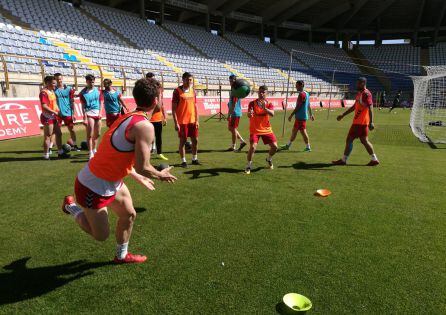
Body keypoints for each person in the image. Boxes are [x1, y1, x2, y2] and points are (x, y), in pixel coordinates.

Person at [61, 78, 177, 264]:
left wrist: (137, 176)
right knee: (100, 235)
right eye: (161, 97)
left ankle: (121, 256)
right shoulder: (144, 126)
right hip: (93, 187)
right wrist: (159, 174)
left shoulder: (129, 116)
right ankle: (71, 207)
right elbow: (144, 166)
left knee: (129, 214)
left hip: (112, 180)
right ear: (156, 100)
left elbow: (115, 154)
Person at [332, 77, 379, 166]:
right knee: (364, 141)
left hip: (359, 123)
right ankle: (374, 159)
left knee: (349, 139)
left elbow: (370, 107)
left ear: (362, 83)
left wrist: (371, 122)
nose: (356, 85)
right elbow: (354, 106)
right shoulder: (360, 94)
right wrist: (343, 115)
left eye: (358, 83)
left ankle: (343, 160)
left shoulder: (366, 94)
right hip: (361, 123)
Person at [245, 85, 278, 174]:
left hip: (266, 129)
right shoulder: (252, 103)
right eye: (260, 92)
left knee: (275, 147)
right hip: (255, 129)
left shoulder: (269, 103)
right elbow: (248, 114)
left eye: (263, 92)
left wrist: (265, 108)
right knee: (252, 147)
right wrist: (250, 114)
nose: (261, 93)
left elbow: (272, 114)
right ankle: (248, 165)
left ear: (266, 93)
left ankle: (269, 159)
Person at [172, 72, 200, 168]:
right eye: (187, 80)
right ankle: (183, 161)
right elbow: (174, 109)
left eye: (191, 80)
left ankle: (194, 159)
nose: (189, 82)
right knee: (183, 141)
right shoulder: (177, 91)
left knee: (195, 140)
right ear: (183, 80)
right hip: (182, 122)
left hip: (192, 121)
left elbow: (195, 106)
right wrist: (176, 123)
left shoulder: (193, 90)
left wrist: (197, 120)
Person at [40, 75, 70, 160]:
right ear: (48, 83)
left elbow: (55, 104)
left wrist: (58, 111)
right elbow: (44, 106)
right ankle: (45, 155)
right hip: (47, 117)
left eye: (55, 83)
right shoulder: (44, 93)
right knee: (48, 136)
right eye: (53, 83)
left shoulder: (52, 92)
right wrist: (54, 112)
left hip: (53, 116)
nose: (55, 85)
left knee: (59, 133)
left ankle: (60, 152)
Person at [280, 80, 314, 152]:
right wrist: (311, 114)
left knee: (303, 132)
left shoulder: (301, 94)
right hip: (301, 116)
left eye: (297, 85)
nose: (295, 87)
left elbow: (298, 107)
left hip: (301, 117)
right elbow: (309, 105)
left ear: (301, 85)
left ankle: (308, 147)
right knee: (294, 131)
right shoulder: (306, 93)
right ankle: (288, 145)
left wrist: (291, 115)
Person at [79, 74, 103, 159]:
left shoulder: (98, 91)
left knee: (98, 134)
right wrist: (84, 117)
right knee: (89, 134)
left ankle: (94, 148)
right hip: (89, 114)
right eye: (90, 81)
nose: (92, 83)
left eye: (93, 81)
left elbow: (101, 103)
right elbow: (83, 106)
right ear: (86, 82)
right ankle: (90, 152)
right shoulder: (82, 93)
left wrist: (100, 113)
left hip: (97, 114)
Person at [54, 73, 80, 151]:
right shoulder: (53, 89)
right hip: (57, 113)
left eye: (60, 78)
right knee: (55, 131)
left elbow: (72, 101)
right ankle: (51, 147)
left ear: (62, 78)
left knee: (71, 129)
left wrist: (74, 113)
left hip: (68, 112)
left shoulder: (69, 89)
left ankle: (74, 145)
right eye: (57, 79)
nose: (59, 80)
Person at [146, 73, 168, 161]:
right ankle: (148, 151)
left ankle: (159, 153)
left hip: (158, 117)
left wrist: (165, 116)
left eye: (152, 79)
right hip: (148, 117)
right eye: (149, 79)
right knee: (148, 137)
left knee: (158, 136)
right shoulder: (146, 91)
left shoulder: (159, 90)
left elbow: (161, 104)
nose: (151, 81)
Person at [226, 74, 247, 152]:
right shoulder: (233, 89)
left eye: (233, 80)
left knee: (232, 128)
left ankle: (234, 146)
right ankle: (242, 141)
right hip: (234, 112)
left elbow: (234, 104)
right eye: (230, 80)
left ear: (235, 81)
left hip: (235, 113)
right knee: (231, 128)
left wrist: (229, 114)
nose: (231, 82)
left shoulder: (235, 90)